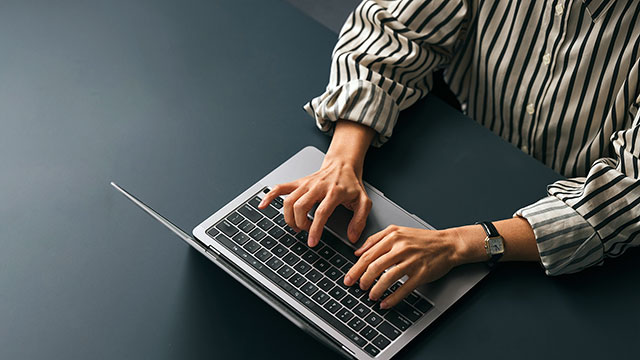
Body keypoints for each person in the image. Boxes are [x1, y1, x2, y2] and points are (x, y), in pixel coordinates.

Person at [259, 0, 640, 310]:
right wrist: (341, 160)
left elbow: (627, 193)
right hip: (464, 155)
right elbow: (393, 30)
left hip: (570, 256)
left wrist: (457, 245)